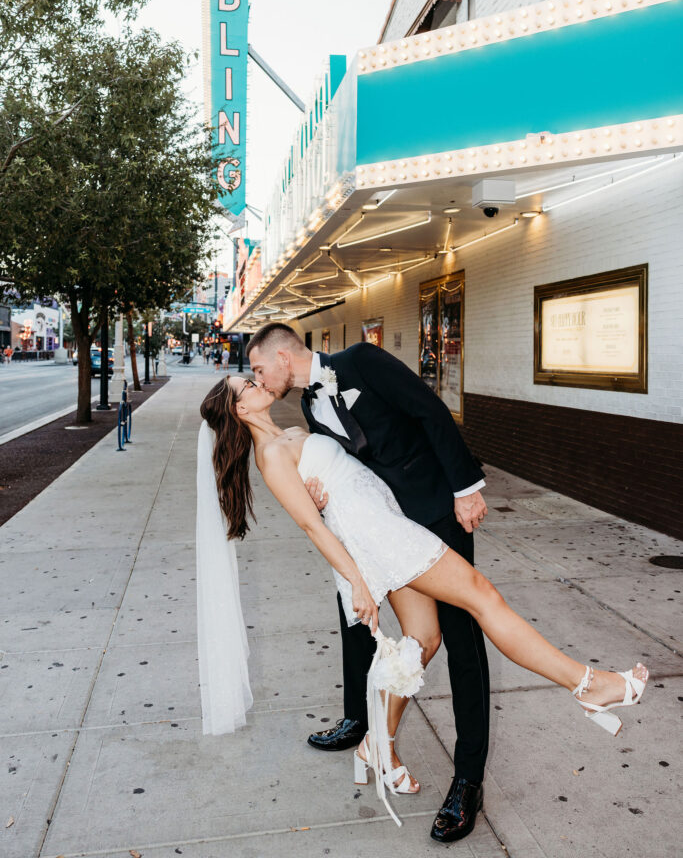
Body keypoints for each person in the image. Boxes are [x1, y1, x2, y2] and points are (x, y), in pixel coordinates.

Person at [196, 373, 648, 840]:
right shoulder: (271, 456)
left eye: (252, 377)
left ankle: (376, 744)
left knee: (423, 640)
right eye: (245, 386)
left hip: (383, 523)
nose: (256, 383)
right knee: (484, 597)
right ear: (239, 410)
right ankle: (588, 685)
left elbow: (345, 468)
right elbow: (314, 527)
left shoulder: (295, 432)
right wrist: (357, 582)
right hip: (379, 537)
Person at [247, 323, 490, 841]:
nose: (259, 379)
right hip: (384, 527)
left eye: (259, 368)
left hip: (436, 511)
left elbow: (429, 410)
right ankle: (361, 723)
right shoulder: (311, 408)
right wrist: (317, 487)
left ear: (285, 356)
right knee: (358, 619)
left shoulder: (363, 361)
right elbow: (350, 463)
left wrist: (466, 488)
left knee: (463, 642)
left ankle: (468, 780)